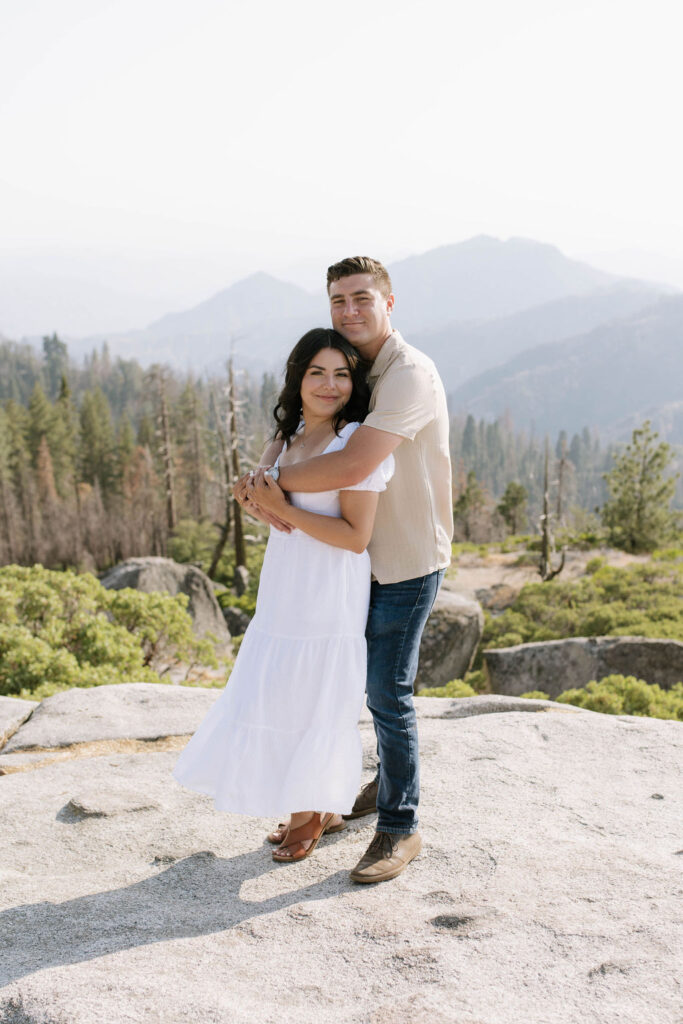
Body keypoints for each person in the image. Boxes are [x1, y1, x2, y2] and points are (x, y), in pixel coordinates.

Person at [242, 256, 453, 884]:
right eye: (339, 300)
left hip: (402, 561)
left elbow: (353, 465)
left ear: (391, 302)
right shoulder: (354, 367)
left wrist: (264, 486)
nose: (350, 310)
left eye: (362, 297)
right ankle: (337, 798)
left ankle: (401, 826)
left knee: (388, 693)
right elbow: (310, 429)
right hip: (345, 566)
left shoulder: (409, 374)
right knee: (340, 688)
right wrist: (263, 483)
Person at [173, 328, 394, 863]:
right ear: (297, 378)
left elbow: (355, 537)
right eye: (316, 372)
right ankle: (318, 802)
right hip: (285, 581)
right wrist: (251, 492)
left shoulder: (354, 442)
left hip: (329, 582)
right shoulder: (289, 433)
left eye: (342, 374)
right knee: (280, 689)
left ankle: (308, 813)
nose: (329, 384)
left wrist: (283, 507)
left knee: (314, 693)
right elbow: (262, 489)